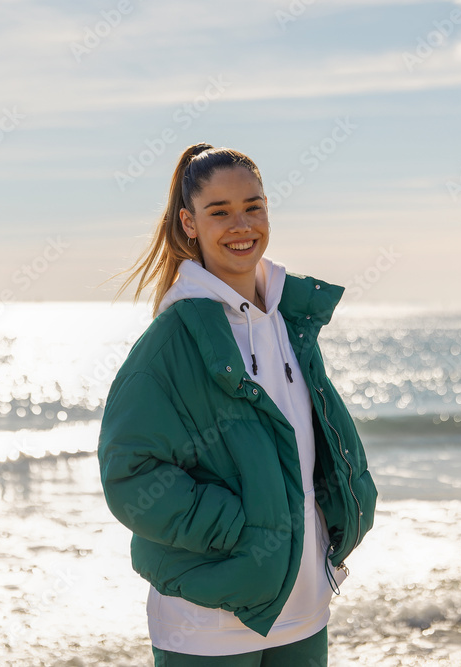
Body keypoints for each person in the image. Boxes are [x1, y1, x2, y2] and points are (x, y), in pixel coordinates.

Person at [97, 143, 377, 666]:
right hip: (208, 622)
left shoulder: (288, 320)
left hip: (303, 604)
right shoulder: (172, 339)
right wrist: (239, 530)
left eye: (253, 206)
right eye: (219, 212)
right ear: (189, 223)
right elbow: (128, 474)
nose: (241, 224)